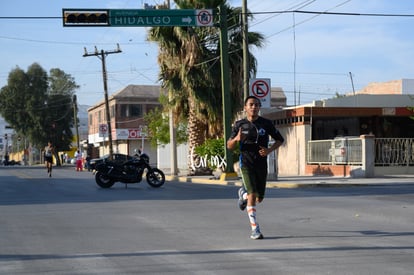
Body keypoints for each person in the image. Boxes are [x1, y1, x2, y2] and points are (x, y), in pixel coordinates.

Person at [227, 96, 285, 240]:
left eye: (256, 105)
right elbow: (229, 145)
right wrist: (236, 139)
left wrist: (269, 150)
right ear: (245, 107)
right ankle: (255, 229)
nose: (254, 107)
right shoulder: (239, 124)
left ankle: (243, 195)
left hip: (261, 164)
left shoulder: (266, 123)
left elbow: (280, 140)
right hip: (246, 164)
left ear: (259, 107)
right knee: (252, 195)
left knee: (259, 198)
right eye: (251, 105)